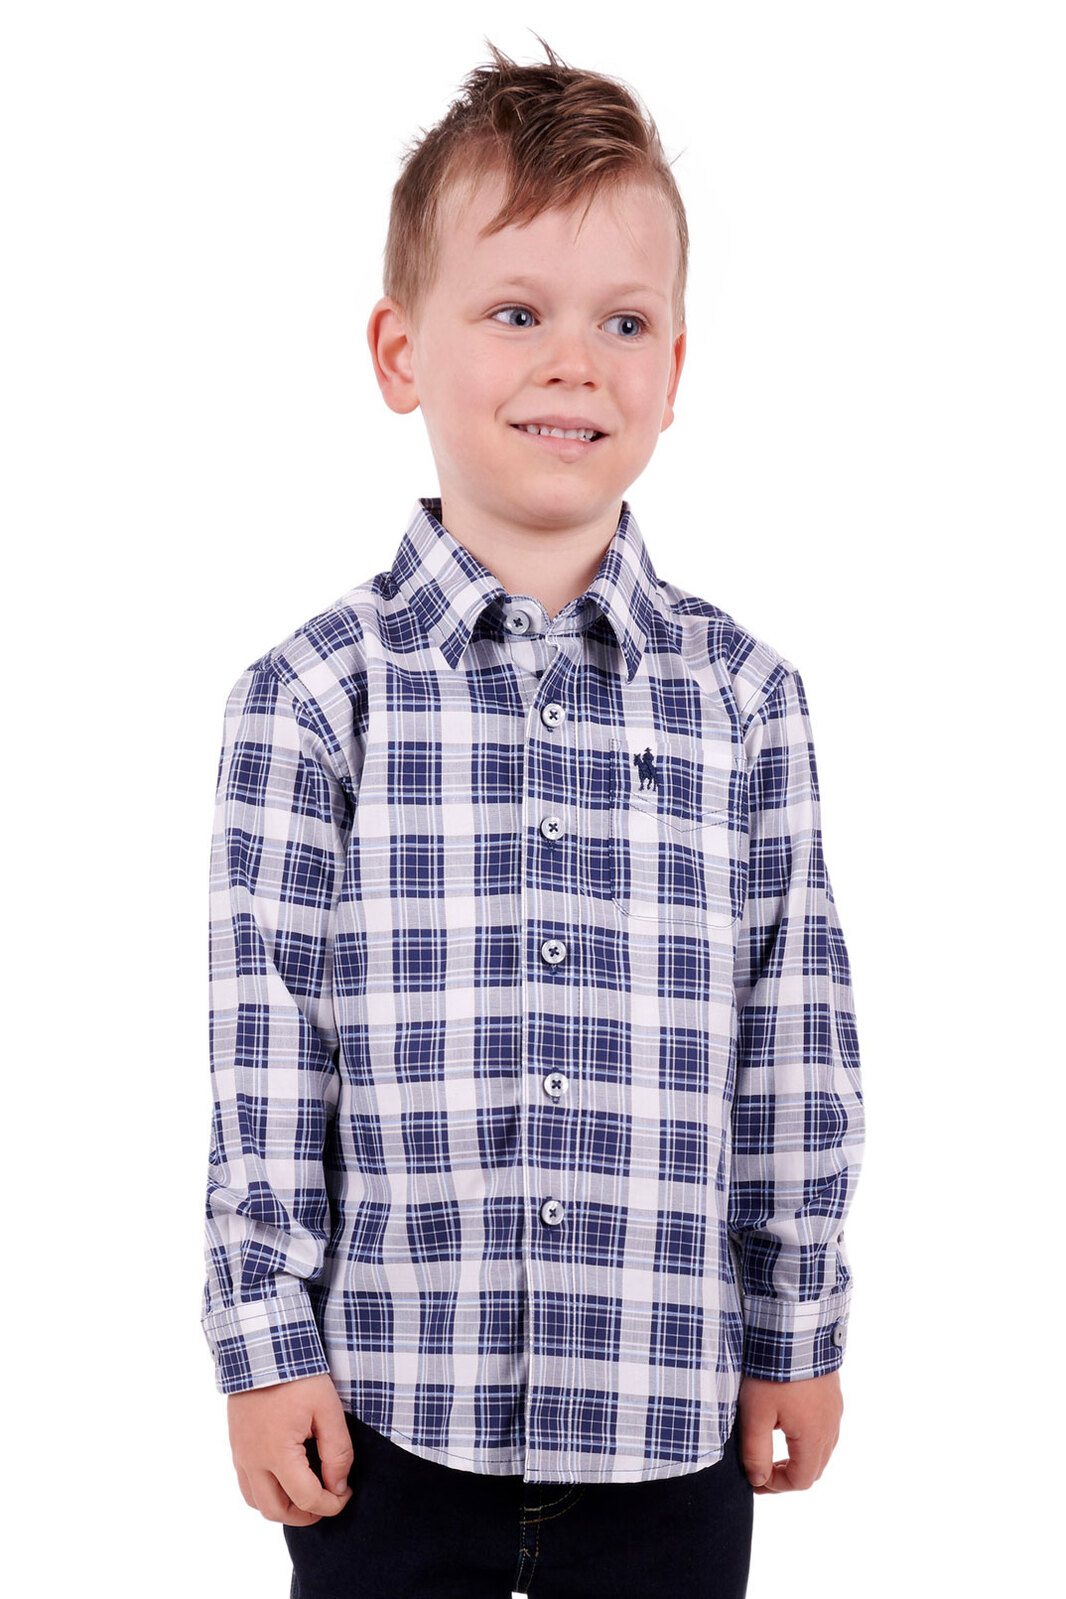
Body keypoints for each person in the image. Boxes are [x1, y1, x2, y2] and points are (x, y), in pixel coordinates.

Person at [201, 33, 865, 1599]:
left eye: (621, 322)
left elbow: (796, 1034)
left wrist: (799, 1326)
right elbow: (266, 1046)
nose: (574, 362)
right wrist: (261, 1341)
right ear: (400, 354)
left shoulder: (744, 700)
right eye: (516, 313)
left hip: (666, 1424)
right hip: (387, 1424)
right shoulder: (313, 697)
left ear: (673, 372)